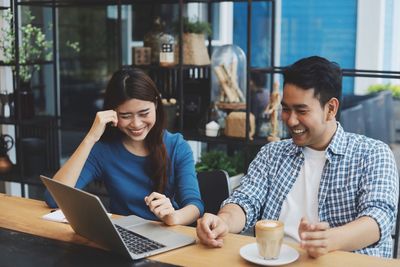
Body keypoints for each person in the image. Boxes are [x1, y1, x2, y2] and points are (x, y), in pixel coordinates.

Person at [196, 56, 399, 258]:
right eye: (285, 109)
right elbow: (245, 200)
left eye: (301, 111)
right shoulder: (272, 153)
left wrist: (329, 240)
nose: (291, 120)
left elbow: (379, 217)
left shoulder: (373, 154)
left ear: (331, 109)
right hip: (273, 260)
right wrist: (224, 221)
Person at [45, 68, 204, 226]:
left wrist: (172, 217)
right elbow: (54, 199)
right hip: (122, 236)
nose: (136, 124)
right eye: (125, 116)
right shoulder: (103, 150)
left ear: (156, 104)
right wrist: (91, 137)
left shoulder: (177, 146)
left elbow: (195, 206)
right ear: (112, 114)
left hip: (168, 233)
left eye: (144, 113)